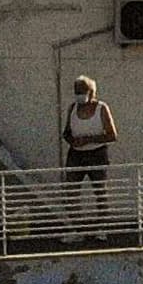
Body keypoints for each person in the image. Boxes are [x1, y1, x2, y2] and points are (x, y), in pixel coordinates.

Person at [60, 77, 117, 220]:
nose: (79, 94)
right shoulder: (72, 108)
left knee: (100, 191)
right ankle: (77, 228)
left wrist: (88, 139)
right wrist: (73, 141)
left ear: (91, 92)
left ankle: (102, 227)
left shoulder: (101, 108)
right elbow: (66, 132)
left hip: (97, 154)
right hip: (75, 155)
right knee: (71, 191)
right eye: (76, 91)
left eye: (82, 91)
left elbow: (112, 135)